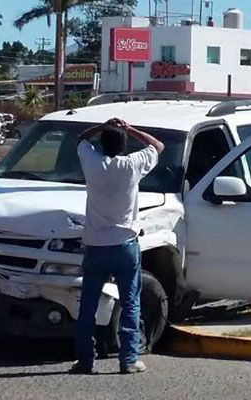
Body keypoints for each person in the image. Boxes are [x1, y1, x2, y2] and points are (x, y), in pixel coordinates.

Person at [70, 117, 165, 375]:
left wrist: (103, 127)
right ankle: (128, 358)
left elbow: (81, 139)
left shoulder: (93, 163)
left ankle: (85, 359)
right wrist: (130, 129)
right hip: (125, 244)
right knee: (130, 302)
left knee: (88, 305)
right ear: (123, 147)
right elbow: (158, 146)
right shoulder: (132, 165)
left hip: (95, 244)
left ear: (101, 144)